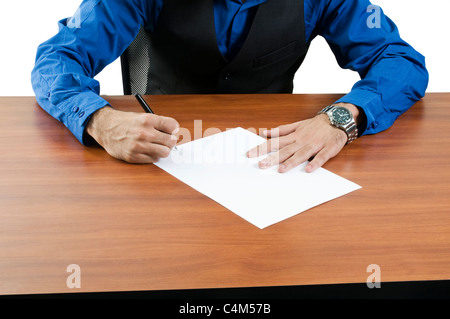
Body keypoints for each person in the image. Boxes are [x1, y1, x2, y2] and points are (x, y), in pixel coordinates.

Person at [31, 0, 428, 173]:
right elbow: (56, 59)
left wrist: (340, 118)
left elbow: (401, 61)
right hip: (160, 157)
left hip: (273, 159)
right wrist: (99, 120)